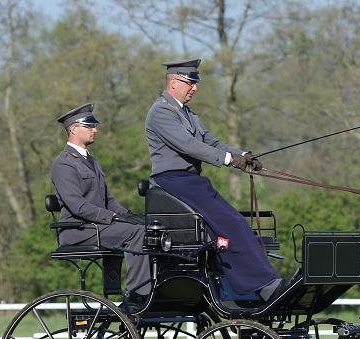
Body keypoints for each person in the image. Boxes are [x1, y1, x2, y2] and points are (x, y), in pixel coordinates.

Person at [145, 58, 288, 301]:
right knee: (230, 224)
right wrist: (229, 160)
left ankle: (267, 282)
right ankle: (263, 287)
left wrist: (242, 155)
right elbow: (189, 145)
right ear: (173, 82)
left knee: (238, 222)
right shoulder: (161, 112)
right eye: (190, 82)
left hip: (191, 182)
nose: (195, 88)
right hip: (173, 181)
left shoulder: (187, 113)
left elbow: (209, 142)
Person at [51, 103, 152, 305]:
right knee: (136, 233)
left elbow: (109, 200)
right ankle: (136, 295)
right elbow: (77, 205)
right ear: (73, 129)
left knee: (148, 229)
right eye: (89, 126)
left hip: (97, 227)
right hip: (80, 230)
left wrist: (129, 215)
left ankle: (154, 289)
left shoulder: (92, 161)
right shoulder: (63, 164)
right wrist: (114, 218)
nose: (95, 129)